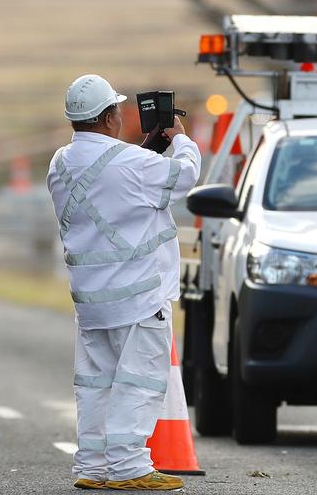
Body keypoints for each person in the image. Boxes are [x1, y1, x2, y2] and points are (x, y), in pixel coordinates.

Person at [46, 74, 201, 491]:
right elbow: (184, 176)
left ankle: (93, 467)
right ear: (111, 116)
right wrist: (180, 138)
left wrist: (143, 152)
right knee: (140, 380)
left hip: (91, 300)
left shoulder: (59, 164)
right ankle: (129, 465)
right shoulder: (134, 163)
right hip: (138, 295)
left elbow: (107, 177)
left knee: (96, 384)